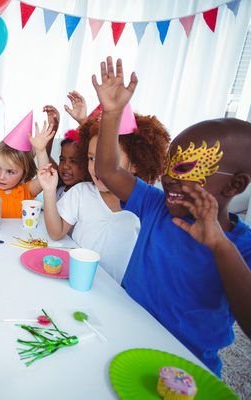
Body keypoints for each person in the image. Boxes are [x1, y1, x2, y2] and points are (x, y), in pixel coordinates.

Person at [93, 56, 251, 375]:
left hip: (186, 365)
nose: (169, 178)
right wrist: (111, 114)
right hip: (124, 338)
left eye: (186, 169)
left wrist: (220, 246)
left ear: (235, 184)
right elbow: (108, 170)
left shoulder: (241, 246)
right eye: (168, 166)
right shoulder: (155, 205)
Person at [38, 97, 169, 283]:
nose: (98, 167)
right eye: (91, 158)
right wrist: (49, 191)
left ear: (137, 163)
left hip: (116, 297)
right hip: (74, 282)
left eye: (109, 160)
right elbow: (56, 232)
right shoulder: (82, 193)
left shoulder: (147, 209)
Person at [0, 108, 54, 218]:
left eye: (10, 172)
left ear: (24, 171)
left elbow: (44, 177)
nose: (1, 176)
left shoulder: (26, 190)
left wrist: (41, 150)